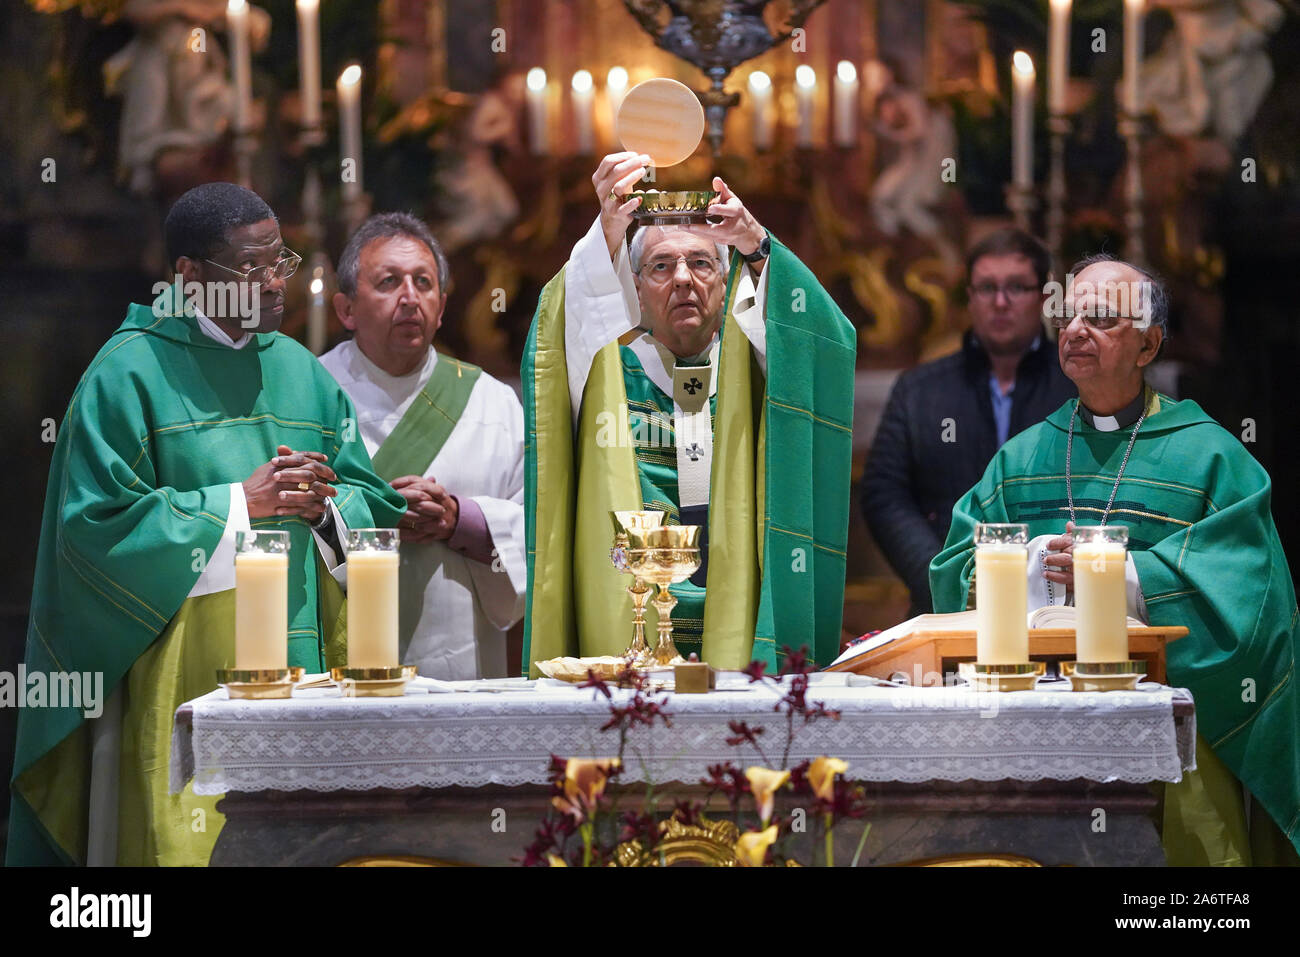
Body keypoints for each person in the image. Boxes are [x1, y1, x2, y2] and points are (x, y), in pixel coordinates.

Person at [8, 183, 406, 866]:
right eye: (250, 268)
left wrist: (326, 510)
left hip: (301, 665)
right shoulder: (127, 373)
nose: (276, 283)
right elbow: (94, 531)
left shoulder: (302, 375)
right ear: (189, 276)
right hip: (179, 676)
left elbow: (368, 507)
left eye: (281, 260)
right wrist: (236, 504)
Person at [930, 254, 1300, 864]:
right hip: (1033, 735)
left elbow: (1254, 592)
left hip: (1180, 736)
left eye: (1102, 319)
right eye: (1069, 315)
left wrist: (1120, 577)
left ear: (1149, 347)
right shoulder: (1022, 458)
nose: (1075, 331)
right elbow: (953, 570)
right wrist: (1023, 568)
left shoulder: (1210, 457)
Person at [522, 152, 857, 673]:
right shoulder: (601, 372)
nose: (683, 279)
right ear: (632, 289)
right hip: (625, 623)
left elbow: (822, 343)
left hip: (740, 623)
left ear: (727, 286)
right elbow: (568, 319)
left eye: (701, 263)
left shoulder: (762, 368)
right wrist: (607, 231)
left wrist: (758, 247)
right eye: (660, 266)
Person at [320, 213, 525, 679]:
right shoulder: (309, 396)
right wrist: (371, 519)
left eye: (423, 282)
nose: (409, 298)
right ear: (346, 309)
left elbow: (539, 531)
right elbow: (279, 527)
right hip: (340, 662)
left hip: (461, 659)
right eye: (389, 281)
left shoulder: (492, 401)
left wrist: (461, 520)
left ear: (442, 305)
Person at [862, 228, 1075, 616]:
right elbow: (884, 493)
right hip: (942, 603)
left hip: (1055, 601)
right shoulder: (920, 389)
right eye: (986, 288)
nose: (1000, 302)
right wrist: (940, 576)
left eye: (1016, 287)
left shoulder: (1075, 388)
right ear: (970, 298)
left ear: (1044, 298)